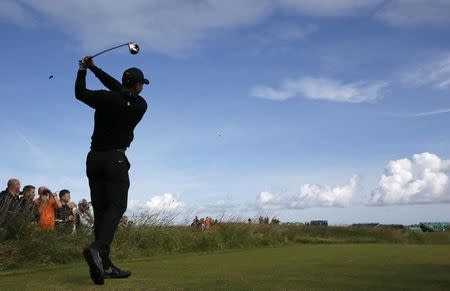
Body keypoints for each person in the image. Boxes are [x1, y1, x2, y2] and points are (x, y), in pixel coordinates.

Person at [75, 56, 148, 285]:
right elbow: (119, 89)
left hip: (93, 159)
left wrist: (84, 70)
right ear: (137, 86)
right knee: (117, 206)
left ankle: (104, 265)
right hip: (115, 159)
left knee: (101, 210)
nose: (142, 87)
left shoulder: (105, 98)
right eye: (141, 84)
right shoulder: (139, 105)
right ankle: (97, 250)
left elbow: (80, 93)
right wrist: (94, 68)